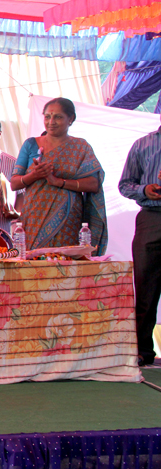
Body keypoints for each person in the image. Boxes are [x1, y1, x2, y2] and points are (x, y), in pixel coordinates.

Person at [10, 97, 107, 254]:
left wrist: (58, 182)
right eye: (47, 117)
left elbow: (93, 184)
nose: (51, 122)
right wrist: (34, 175)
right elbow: (14, 183)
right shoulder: (31, 144)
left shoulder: (81, 147)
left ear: (71, 119)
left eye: (58, 117)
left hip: (68, 218)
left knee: (64, 261)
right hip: (34, 215)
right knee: (34, 259)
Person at [118, 124, 161, 366]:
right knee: (146, 285)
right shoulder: (143, 144)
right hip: (151, 217)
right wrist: (145, 189)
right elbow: (125, 184)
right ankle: (143, 350)